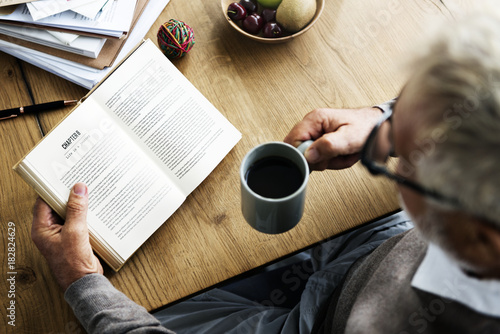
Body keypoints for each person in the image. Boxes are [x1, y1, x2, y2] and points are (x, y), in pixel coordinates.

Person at [31, 10, 500, 334]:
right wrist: (383, 120)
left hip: (328, 318)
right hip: (379, 250)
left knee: (143, 300)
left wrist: (82, 281)